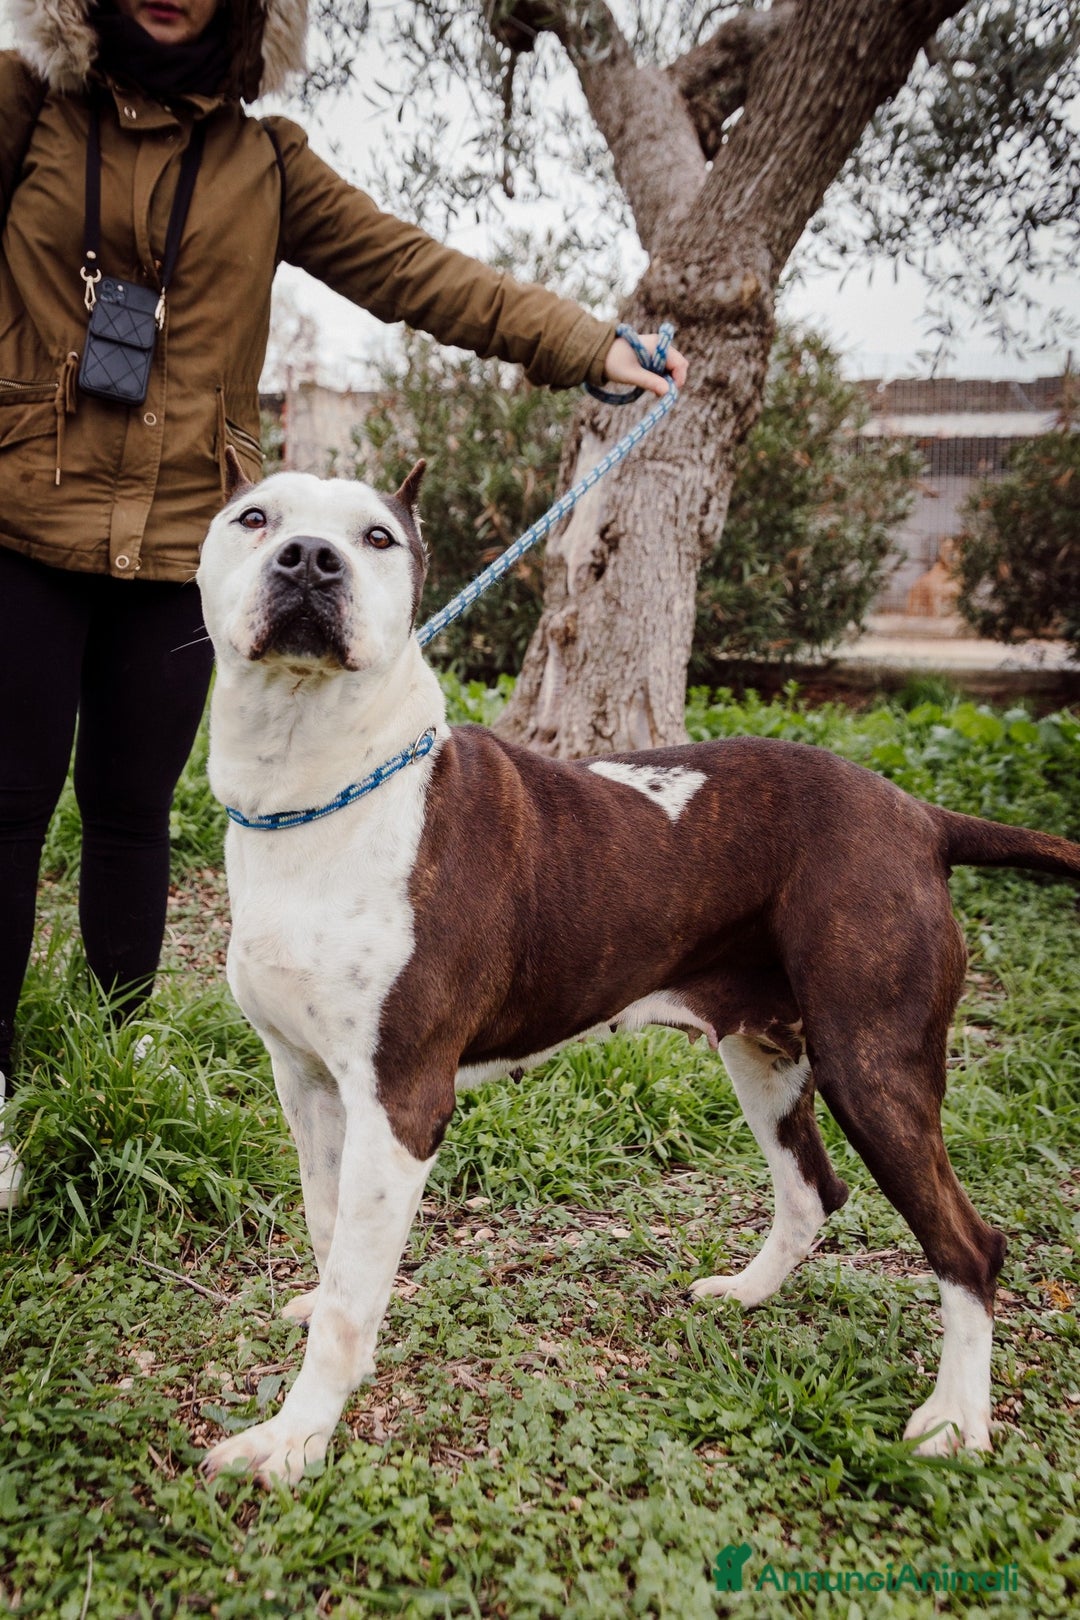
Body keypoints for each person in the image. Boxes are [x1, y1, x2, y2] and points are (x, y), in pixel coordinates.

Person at [0, 0, 688, 1206]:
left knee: (128, 812)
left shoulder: (265, 162)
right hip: (18, 518)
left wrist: (584, 343)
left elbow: (415, 271)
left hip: (179, 548)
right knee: (3, 812)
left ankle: (112, 1059)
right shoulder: (26, 108)